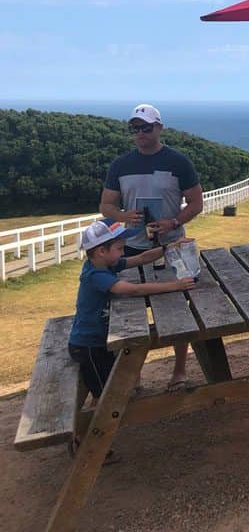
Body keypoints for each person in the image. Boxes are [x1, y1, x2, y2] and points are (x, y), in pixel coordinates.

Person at [99, 104, 203, 390]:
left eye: (146, 127)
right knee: (129, 316)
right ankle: (134, 379)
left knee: (178, 312)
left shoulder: (179, 162)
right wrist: (122, 216)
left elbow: (196, 203)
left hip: (172, 247)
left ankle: (179, 373)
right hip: (129, 250)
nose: (141, 133)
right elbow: (106, 204)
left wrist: (174, 221)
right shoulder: (120, 165)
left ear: (159, 127)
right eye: (135, 128)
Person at [69, 219, 194, 399]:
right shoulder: (95, 275)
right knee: (106, 395)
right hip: (89, 345)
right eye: (119, 249)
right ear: (102, 251)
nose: (123, 252)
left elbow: (142, 258)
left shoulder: (106, 264)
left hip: (101, 338)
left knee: (114, 385)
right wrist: (175, 285)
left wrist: (169, 247)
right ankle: (93, 424)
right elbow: (133, 289)